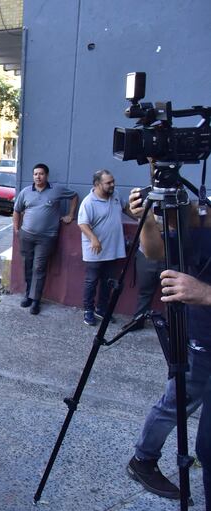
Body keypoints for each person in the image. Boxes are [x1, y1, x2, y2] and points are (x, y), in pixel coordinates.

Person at [126, 186, 211, 502]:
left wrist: (205, 293)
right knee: (177, 400)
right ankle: (144, 459)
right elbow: (154, 251)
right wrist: (147, 219)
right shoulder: (202, 218)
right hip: (202, 338)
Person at [12, 163, 78, 315]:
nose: (38, 177)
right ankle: (28, 295)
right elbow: (17, 210)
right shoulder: (25, 192)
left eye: (41, 174)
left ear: (46, 175)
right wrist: (16, 228)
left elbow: (74, 196)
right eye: (35, 174)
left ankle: (36, 300)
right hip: (26, 235)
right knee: (28, 265)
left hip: (46, 238)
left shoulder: (57, 190)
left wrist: (70, 215)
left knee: (39, 267)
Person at [77, 169, 126, 326]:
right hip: (95, 249)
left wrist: (142, 219)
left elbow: (126, 209)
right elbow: (82, 223)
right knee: (92, 281)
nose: (113, 185)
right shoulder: (88, 202)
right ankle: (88, 311)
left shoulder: (116, 196)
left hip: (113, 249)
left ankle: (101, 309)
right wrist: (93, 238)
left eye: (113, 181)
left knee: (108, 281)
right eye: (108, 183)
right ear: (97, 184)